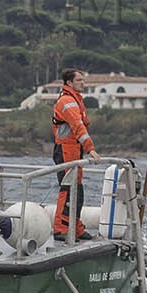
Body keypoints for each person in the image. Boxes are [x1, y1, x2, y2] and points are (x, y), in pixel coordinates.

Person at [52, 67, 101, 242]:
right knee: (68, 189)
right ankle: (61, 228)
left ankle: (75, 226)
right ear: (69, 83)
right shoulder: (67, 101)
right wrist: (90, 149)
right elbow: (77, 126)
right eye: (79, 80)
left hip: (73, 149)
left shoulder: (74, 99)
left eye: (83, 80)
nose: (83, 83)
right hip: (66, 149)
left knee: (77, 190)